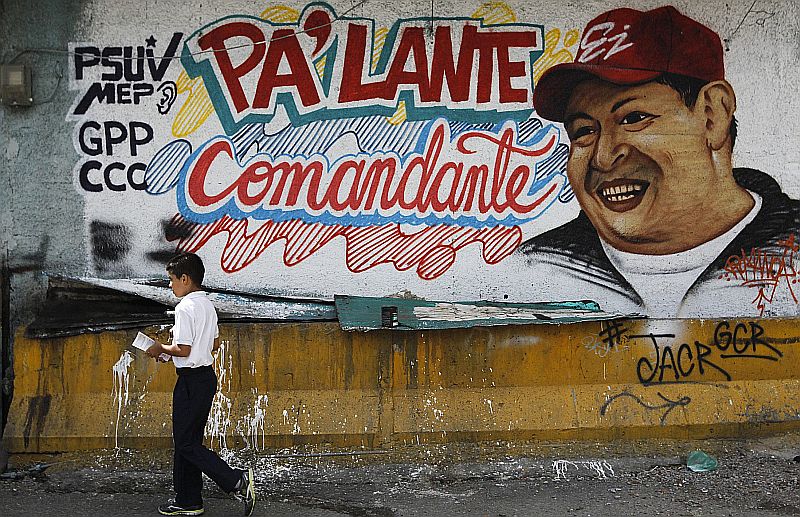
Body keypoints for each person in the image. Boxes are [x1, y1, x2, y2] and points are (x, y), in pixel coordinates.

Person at [518, 5, 800, 318]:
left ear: (712, 116)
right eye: (583, 131)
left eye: (634, 118)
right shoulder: (534, 265)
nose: (603, 157)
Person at [146, 252, 256, 516]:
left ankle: (236, 480)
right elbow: (214, 344)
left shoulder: (184, 308)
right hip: (205, 378)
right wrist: (171, 353)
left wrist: (158, 347)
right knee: (189, 440)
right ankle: (188, 500)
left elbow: (183, 349)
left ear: (185, 279)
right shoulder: (207, 305)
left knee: (185, 443)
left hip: (190, 382)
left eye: (172, 280)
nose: (170, 285)